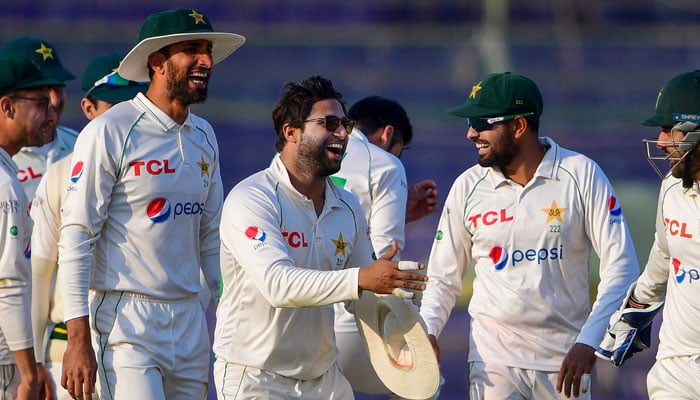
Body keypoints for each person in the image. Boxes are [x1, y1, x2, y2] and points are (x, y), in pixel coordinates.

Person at [57, 8, 245, 400]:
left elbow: (212, 240)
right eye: (192, 50)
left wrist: (234, 307)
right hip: (128, 323)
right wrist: (77, 339)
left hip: (191, 320)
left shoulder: (204, 135)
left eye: (207, 51)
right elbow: (76, 237)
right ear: (157, 62)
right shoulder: (110, 130)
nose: (206, 61)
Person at [418, 71, 639, 399]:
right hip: (493, 361)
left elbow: (622, 268)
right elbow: (442, 278)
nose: (470, 133)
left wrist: (591, 341)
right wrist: (428, 330)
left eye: (481, 122)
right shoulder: (468, 186)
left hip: (567, 362)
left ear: (518, 126)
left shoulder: (581, 174)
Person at [212, 75, 428, 399]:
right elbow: (278, 285)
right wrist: (363, 278)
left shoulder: (348, 205)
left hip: (325, 379)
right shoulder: (252, 199)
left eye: (346, 124)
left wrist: (397, 289)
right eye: (329, 123)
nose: (342, 133)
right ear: (291, 132)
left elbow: (364, 294)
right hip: (256, 378)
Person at [31, 52, 147, 400]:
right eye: (114, 106)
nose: (125, 118)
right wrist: (34, 363)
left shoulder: (160, 173)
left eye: (133, 106)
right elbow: (40, 272)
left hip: (141, 345)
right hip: (69, 349)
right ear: (88, 108)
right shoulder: (59, 175)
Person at [596, 70, 700, 399]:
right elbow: (664, 255)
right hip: (677, 368)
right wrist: (637, 304)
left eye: (671, 130)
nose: (661, 141)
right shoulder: (672, 189)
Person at [331, 95, 438, 396]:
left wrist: (400, 211)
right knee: (425, 383)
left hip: (296, 321)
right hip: (350, 327)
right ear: (388, 134)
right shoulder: (386, 165)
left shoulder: (304, 153)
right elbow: (384, 258)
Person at [0, 54, 62, 400]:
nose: (51, 115)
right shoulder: (6, 186)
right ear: (7, 106)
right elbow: (8, 284)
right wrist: (29, 373)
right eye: (40, 104)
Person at [0, 36, 79, 202]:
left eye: (59, 86)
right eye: (43, 94)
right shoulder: (7, 161)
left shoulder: (82, 146)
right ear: (8, 106)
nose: (55, 101)